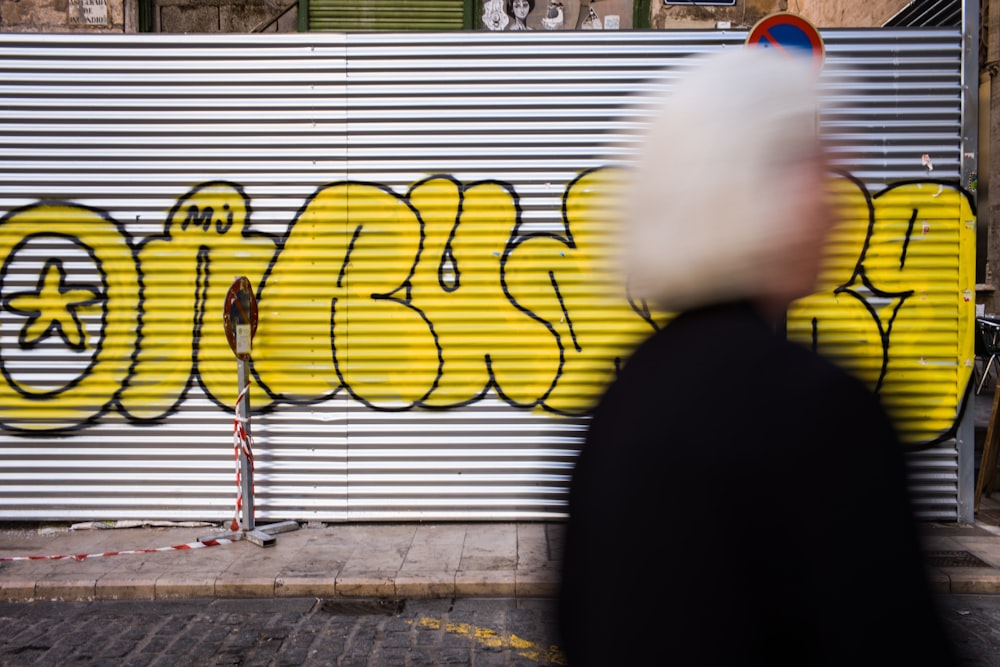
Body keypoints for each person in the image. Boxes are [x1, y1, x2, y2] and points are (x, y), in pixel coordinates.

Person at [557, 48, 960, 666]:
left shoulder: (624, 397)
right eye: (811, 169)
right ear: (742, 187)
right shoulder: (815, 411)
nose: (838, 202)